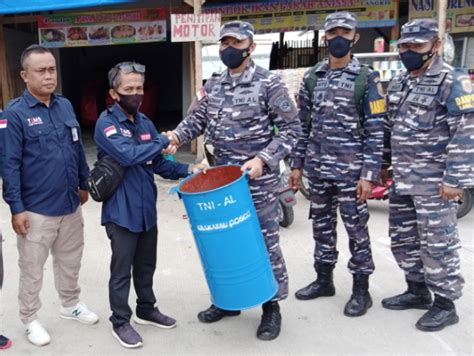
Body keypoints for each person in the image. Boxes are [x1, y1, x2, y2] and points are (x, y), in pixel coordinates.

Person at [166, 20, 301, 341]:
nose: (229, 48)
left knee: (264, 242)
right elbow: (195, 120)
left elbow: (294, 130)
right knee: (222, 242)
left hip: (257, 182)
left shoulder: (270, 84)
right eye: (224, 42)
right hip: (221, 181)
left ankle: (271, 306)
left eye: (236, 43)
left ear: (251, 47)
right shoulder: (212, 85)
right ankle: (228, 300)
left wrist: (263, 159)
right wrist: (175, 136)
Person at [94, 61, 205, 349]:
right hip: (120, 212)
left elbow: (159, 165)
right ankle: (120, 320)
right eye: (128, 89)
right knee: (121, 271)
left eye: (139, 88)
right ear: (114, 93)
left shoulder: (144, 123)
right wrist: (163, 139)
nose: (136, 94)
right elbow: (129, 155)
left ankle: (146, 308)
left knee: (146, 265)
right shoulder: (106, 124)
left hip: (145, 209)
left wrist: (188, 170)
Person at [289, 11, 385, 317]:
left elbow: (375, 129)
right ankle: (324, 280)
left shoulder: (366, 78)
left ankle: (361, 289)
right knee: (321, 226)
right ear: (325, 37)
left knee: (356, 229)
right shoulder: (312, 77)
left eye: (345, 32)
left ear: (355, 38)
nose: (339, 38)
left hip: (351, 172)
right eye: (333, 33)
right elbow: (302, 125)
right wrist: (297, 165)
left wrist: (368, 175)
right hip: (318, 170)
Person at [1, 44, 98, 346]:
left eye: (51, 69)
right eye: (40, 71)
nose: (48, 76)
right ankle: (30, 318)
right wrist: (16, 208)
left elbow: (77, 147)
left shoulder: (65, 106)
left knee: (70, 260)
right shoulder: (13, 116)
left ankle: (70, 304)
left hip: (70, 204)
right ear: (24, 75)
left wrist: (84, 183)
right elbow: (9, 164)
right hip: (36, 210)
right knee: (32, 269)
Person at [381, 19, 473, 331]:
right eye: (404, 46)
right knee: (403, 239)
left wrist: (455, 179)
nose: (409, 52)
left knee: (438, 244)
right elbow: (389, 129)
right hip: (403, 178)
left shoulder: (453, 79)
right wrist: (382, 164)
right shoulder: (400, 82)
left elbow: (467, 131)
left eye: (417, 46)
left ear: (434, 45)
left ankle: (446, 304)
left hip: (435, 183)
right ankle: (417, 291)